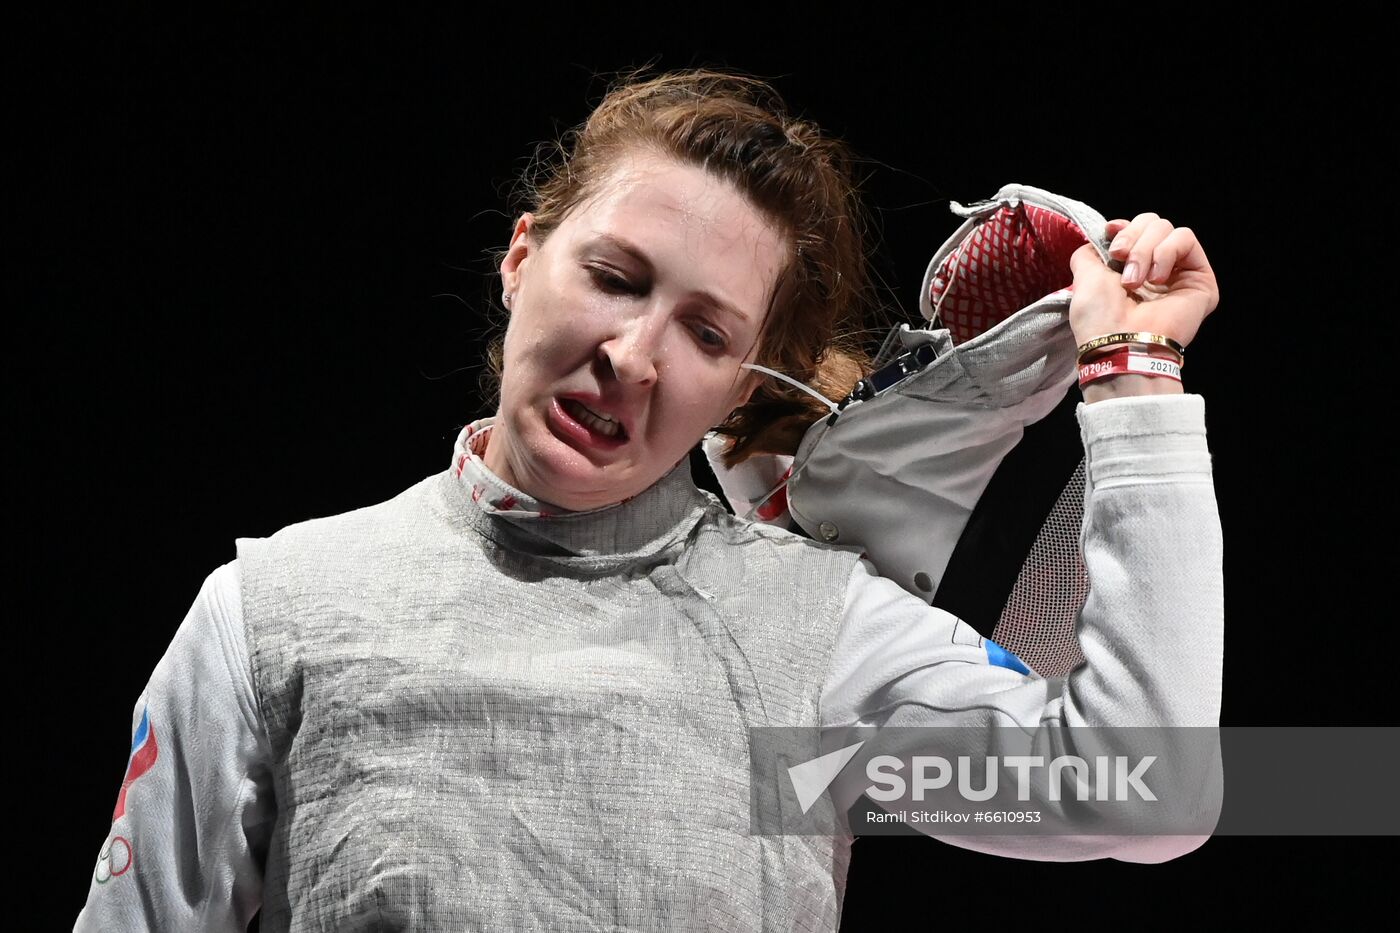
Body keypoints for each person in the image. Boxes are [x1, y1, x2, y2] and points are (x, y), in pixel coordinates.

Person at [74, 68, 1222, 931]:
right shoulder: (274, 612)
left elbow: (1145, 791)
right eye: (613, 278)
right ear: (521, 257)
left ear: (741, 380)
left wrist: (1132, 378)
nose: (632, 354)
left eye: (706, 333)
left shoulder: (812, 647)